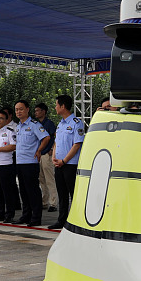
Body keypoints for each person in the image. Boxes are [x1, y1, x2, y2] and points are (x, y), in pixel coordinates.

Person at [13, 100, 51, 226]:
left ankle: (36, 217)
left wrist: (39, 150)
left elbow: (46, 137)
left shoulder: (34, 124)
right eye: (17, 109)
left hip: (30, 162)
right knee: (23, 191)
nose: (18, 112)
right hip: (20, 162)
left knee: (33, 191)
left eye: (21, 109)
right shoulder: (18, 126)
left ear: (27, 109)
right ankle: (26, 215)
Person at [50, 94, 85, 230]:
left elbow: (77, 144)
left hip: (70, 165)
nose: (55, 107)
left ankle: (77, 221)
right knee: (62, 193)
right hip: (59, 164)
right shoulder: (60, 124)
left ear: (63, 106)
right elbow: (56, 142)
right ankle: (62, 220)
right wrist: (54, 157)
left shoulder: (76, 123)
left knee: (73, 193)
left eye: (56, 104)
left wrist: (64, 160)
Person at [35, 103, 58, 213]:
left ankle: (53, 202)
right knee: (41, 179)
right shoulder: (35, 124)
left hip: (46, 154)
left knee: (49, 179)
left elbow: (54, 137)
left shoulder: (49, 123)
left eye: (38, 110)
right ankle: (44, 201)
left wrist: (52, 150)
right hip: (38, 154)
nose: (36, 113)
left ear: (44, 111)